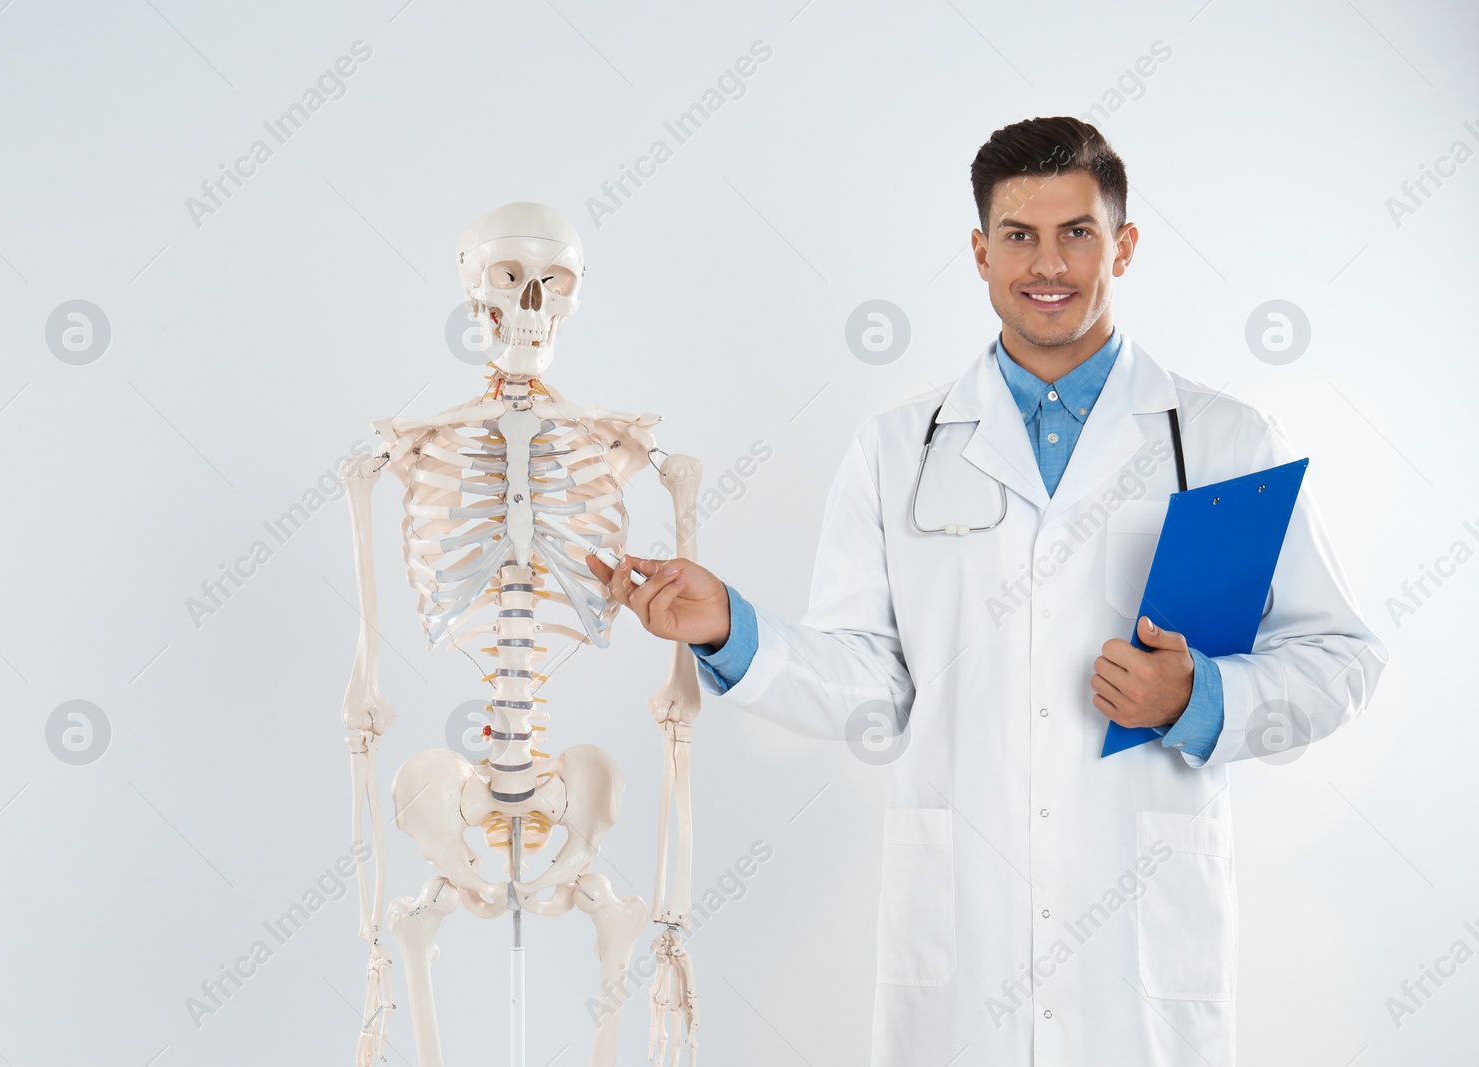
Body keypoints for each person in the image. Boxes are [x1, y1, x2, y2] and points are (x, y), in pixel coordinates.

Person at [589, 116, 1388, 1066]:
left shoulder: (1221, 442)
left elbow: (1343, 659)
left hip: (1140, 950)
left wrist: (1201, 698)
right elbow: (877, 693)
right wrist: (732, 630)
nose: (1047, 264)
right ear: (979, 252)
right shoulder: (895, 448)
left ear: (1123, 245)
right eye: (1019, 235)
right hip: (961, 939)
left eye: (1077, 233)